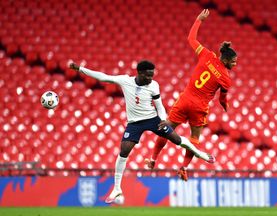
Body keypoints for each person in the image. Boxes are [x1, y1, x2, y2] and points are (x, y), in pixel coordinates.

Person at [69, 60, 214, 204]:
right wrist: (81, 69)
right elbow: (103, 77)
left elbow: (159, 106)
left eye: (152, 75)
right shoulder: (125, 81)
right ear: (139, 73)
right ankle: (117, 188)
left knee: (176, 139)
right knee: (124, 150)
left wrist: (163, 119)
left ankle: (200, 153)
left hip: (152, 119)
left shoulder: (153, 85)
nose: (150, 78)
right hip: (134, 123)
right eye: (148, 76)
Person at [144, 9, 237, 181]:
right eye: (233, 61)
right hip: (199, 107)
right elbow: (222, 99)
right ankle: (184, 167)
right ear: (225, 60)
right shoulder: (226, 78)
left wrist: (198, 20)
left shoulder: (207, 55)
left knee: (166, 128)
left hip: (185, 99)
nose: (235, 63)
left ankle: (152, 159)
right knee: (194, 138)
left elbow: (191, 39)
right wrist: (225, 105)